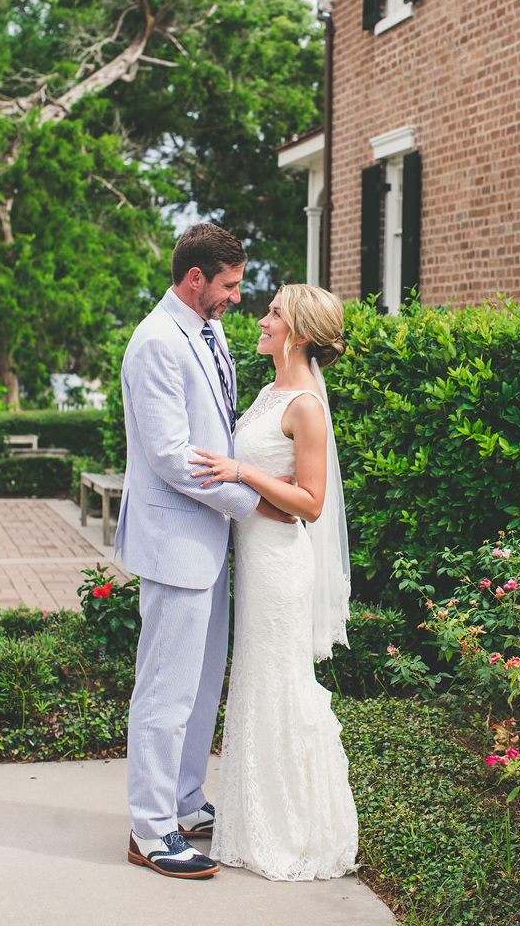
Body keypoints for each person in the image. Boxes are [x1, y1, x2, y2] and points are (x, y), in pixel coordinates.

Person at [115, 223, 290, 880]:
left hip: (209, 540)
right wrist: (255, 503)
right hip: (174, 541)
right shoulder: (156, 343)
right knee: (164, 687)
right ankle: (150, 829)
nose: (237, 299)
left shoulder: (206, 330)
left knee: (198, 684)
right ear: (196, 280)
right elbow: (169, 454)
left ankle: (185, 801)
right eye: (229, 285)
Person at [189, 283, 358, 881]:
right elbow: (273, 498)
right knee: (257, 683)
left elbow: (310, 504)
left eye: (274, 314)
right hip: (257, 557)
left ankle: (297, 833)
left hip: (282, 569)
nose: (261, 320)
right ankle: (252, 822)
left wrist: (241, 470)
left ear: (300, 333)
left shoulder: (306, 405)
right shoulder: (271, 391)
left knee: (278, 684)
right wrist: (249, 491)